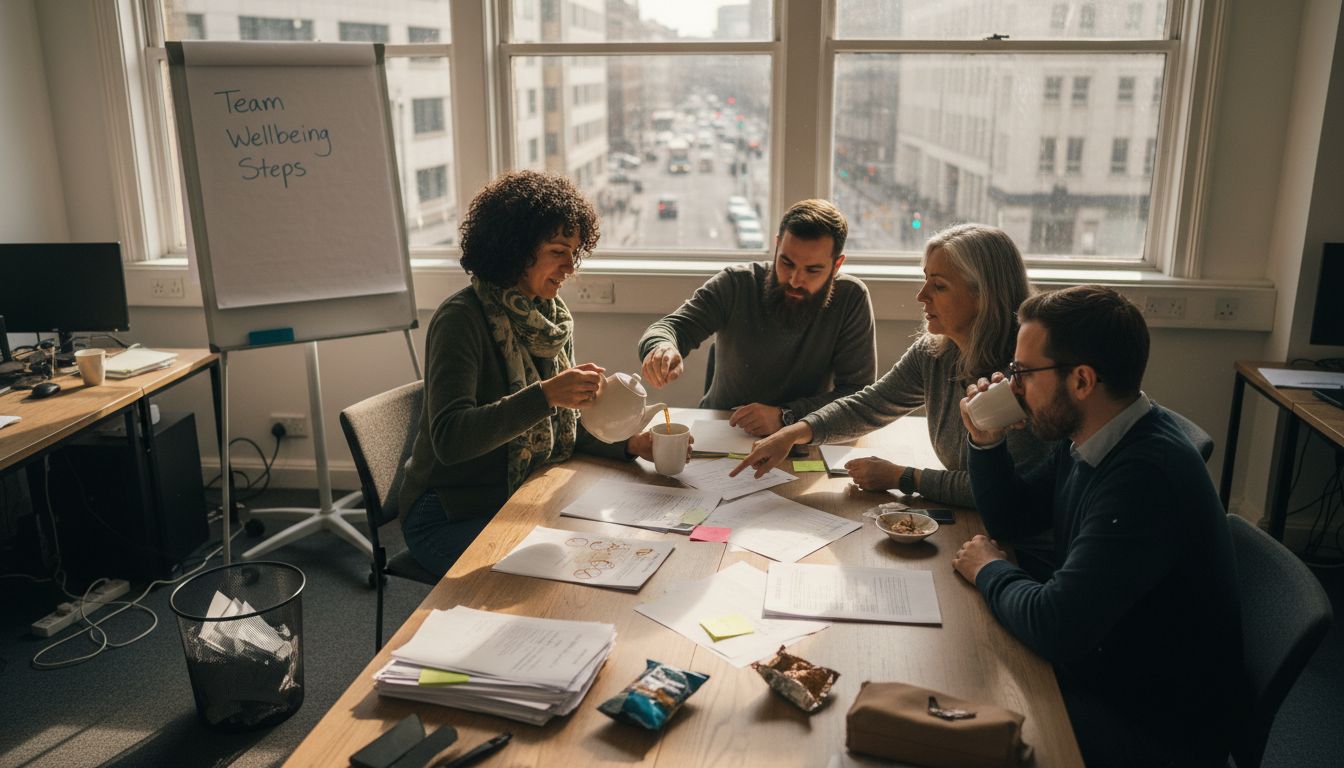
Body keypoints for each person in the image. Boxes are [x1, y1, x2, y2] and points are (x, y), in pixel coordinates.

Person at [953, 285, 1245, 767]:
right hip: (1110, 665)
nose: (1013, 386)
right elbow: (1013, 517)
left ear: (1082, 380)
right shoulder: (1094, 435)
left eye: (1024, 372)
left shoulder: (1144, 477)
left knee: (957, 716)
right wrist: (984, 441)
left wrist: (989, 570)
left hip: (1150, 726)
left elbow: (1056, 625)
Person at [398, 171, 655, 576]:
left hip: (517, 494)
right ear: (516, 250)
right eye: (557, 251)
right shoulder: (460, 319)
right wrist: (546, 396)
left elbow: (566, 427)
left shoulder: (550, 320)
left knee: (607, 550)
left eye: (574, 252)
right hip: (447, 513)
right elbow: (450, 438)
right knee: (569, 572)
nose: (571, 266)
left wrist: (632, 445)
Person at [732, 224, 1052, 508]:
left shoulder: (1027, 376)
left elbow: (1003, 492)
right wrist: (793, 433)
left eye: (938, 286)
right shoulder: (934, 353)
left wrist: (904, 477)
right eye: (925, 280)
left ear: (983, 296)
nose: (921, 295)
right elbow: (869, 405)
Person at [637, 199, 877, 436]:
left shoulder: (851, 298)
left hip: (802, 436)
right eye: (786, 262)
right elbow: (672, 328)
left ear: (837, 265)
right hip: (722, 430)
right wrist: (661, 347)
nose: (794, 280)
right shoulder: (736, 284)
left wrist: (786, 416)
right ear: (777, 246)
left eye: (812, 270)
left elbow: (857, 394)